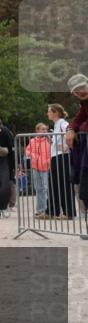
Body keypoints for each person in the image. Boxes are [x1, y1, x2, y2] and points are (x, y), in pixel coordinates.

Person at [64, 74, 88, 217]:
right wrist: (71, 129)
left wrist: (82, 129)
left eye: (81, 88)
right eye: (75, 91)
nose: (79, 92)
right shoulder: (84, 102)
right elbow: (79, 118)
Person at [46, 103, 72, 220]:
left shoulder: (62, 123)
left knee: (63, 184)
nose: (48, 113)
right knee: (53, 184)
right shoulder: (57, 124)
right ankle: (51, 211)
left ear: (55, 112)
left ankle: (68, 212)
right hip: (55, 157)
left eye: (49, 111)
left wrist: (67, 146)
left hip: (62, 157)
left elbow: (69, 131)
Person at [21, 123, 52, 217]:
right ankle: (40, 209)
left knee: (46, 188)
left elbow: (52, 153)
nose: (44, 131)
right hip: (35, 167)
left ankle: (47, 209)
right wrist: (33, 156)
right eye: (42, 129)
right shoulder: (32, 141)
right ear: (37, 130)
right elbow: (27, 151)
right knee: (38, 189)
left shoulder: (49, 141)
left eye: (45, 129)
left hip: (46, 168)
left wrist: (47, 162)